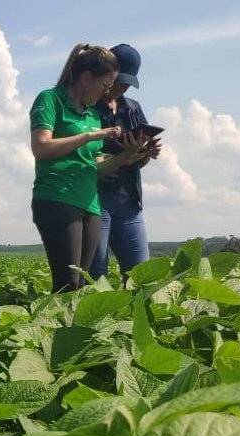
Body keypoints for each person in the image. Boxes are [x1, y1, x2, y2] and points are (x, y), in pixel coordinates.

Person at [30, 43, 148, 293]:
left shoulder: (91, 115)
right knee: (68, 283)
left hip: (90, 203)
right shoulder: (50, 99)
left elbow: (97, 168)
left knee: (84, 284)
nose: (108, 92)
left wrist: (129, 155)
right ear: (86, 78)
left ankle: (79, 330)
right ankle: (58, 331)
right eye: (105, 85)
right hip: (58, 198)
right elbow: (41, 147)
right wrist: (90, 137)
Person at [89, 44, 161, 282]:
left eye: (128, 82)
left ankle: (136, 319)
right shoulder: (86, 108)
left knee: (140, 275)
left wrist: (145, 153)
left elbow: (136, 163)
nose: (123, 86)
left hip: (129, 199)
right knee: (95, 273)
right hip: (95, 198)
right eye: (120, 80)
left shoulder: (133, 109)